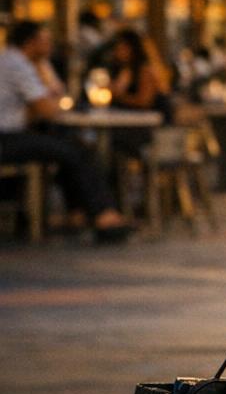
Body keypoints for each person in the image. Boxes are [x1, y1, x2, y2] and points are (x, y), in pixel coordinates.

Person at [0, 20, 131, 241]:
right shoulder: (17, 63)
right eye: (45, 41)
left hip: (14, 134)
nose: (50, 45)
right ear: (31, 42)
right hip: (7, 138)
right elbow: (48, 108)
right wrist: (51, 98)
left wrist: (43, 71)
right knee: (75, 149)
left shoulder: (16, 60)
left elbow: (46, 101)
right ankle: (103, 215)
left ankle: (79, 213)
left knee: (68, 145)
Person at [106, 28, 174, 118]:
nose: (117, 52)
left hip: (152, 124)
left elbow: (144, 102)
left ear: (133, 49)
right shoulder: (125, 70)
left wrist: (117, 96)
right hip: (131, 119)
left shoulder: (146, 70)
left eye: (122, 48)